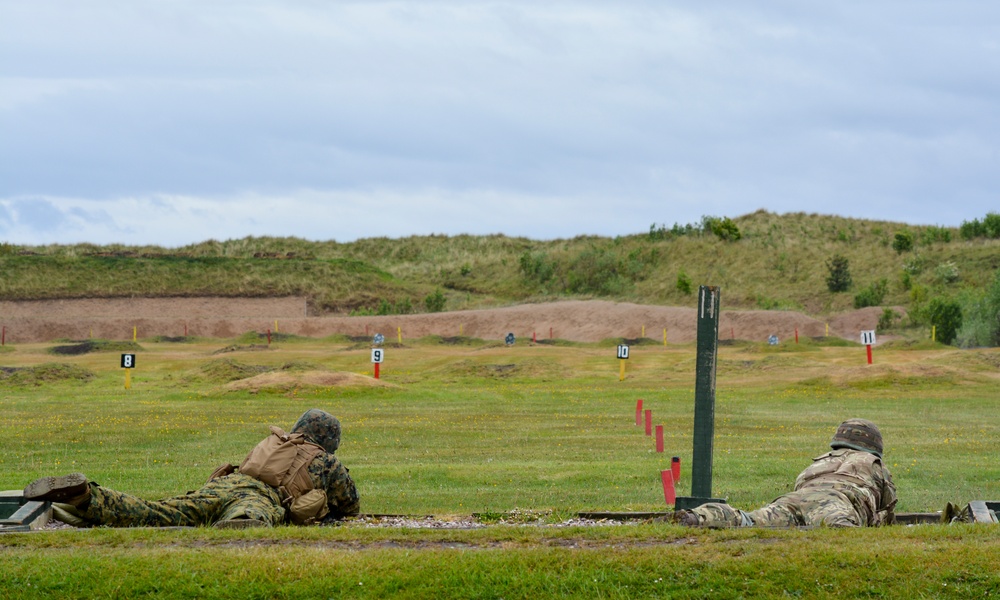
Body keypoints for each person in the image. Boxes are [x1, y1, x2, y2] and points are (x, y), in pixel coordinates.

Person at [23, 408, 359, 529]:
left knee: (161, 512)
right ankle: (239, 523)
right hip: (262, 497)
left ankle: (88, 496)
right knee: (255, 517)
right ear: (329, 439)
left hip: (223, 484)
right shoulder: (327, 461)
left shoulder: (277, 441)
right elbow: (350, 506)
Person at [672, 418, 896, 528]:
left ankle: (698, 516)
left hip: (794, 499)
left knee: (750, 521)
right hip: (839, 502)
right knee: (840, 533)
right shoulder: (873, 462)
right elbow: (888, 508)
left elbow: (801, 486)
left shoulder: (820, 461)